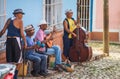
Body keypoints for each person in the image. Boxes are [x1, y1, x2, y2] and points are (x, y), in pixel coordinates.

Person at [0, 9, 27, 79]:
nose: (22, 16)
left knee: (10, 60)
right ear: (17, 14)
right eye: (21, 14)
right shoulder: (20, 21)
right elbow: (22, 34)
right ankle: (14, 76)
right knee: (19, 60)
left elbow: (3, 31)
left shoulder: (9, 20)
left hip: (8, 40)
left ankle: (10, 76)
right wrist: (25, 42)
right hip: (16, 40)